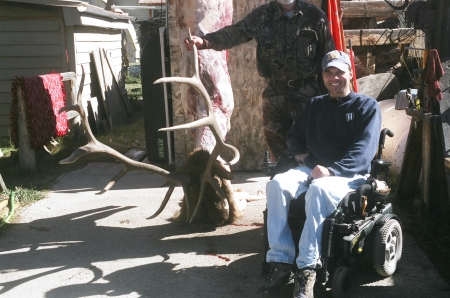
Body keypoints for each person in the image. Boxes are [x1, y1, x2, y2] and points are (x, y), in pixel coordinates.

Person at [259, 50, 382, 297]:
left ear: (350, 73)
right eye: (328, 73)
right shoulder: (315, 105)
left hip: (348, 175)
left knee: (318, 190)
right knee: (276, 184)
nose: (334, 78)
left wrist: (332, 170)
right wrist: (297, 154)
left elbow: (363, 150)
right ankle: (281, 260)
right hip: (312, 169)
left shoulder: (366, 106)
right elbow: (294, 135)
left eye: (339, 72)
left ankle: (306, 268)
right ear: (323, 77)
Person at [184, 0, 335, 162]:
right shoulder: (262, 16)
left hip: (307, 93)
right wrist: (205, 41)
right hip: (275, 94)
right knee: (278, 147)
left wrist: (330, 97)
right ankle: (281, 179)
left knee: (310, 143)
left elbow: (328, 57)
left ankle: (310, 181)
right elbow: (236, 33)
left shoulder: (314, 16)